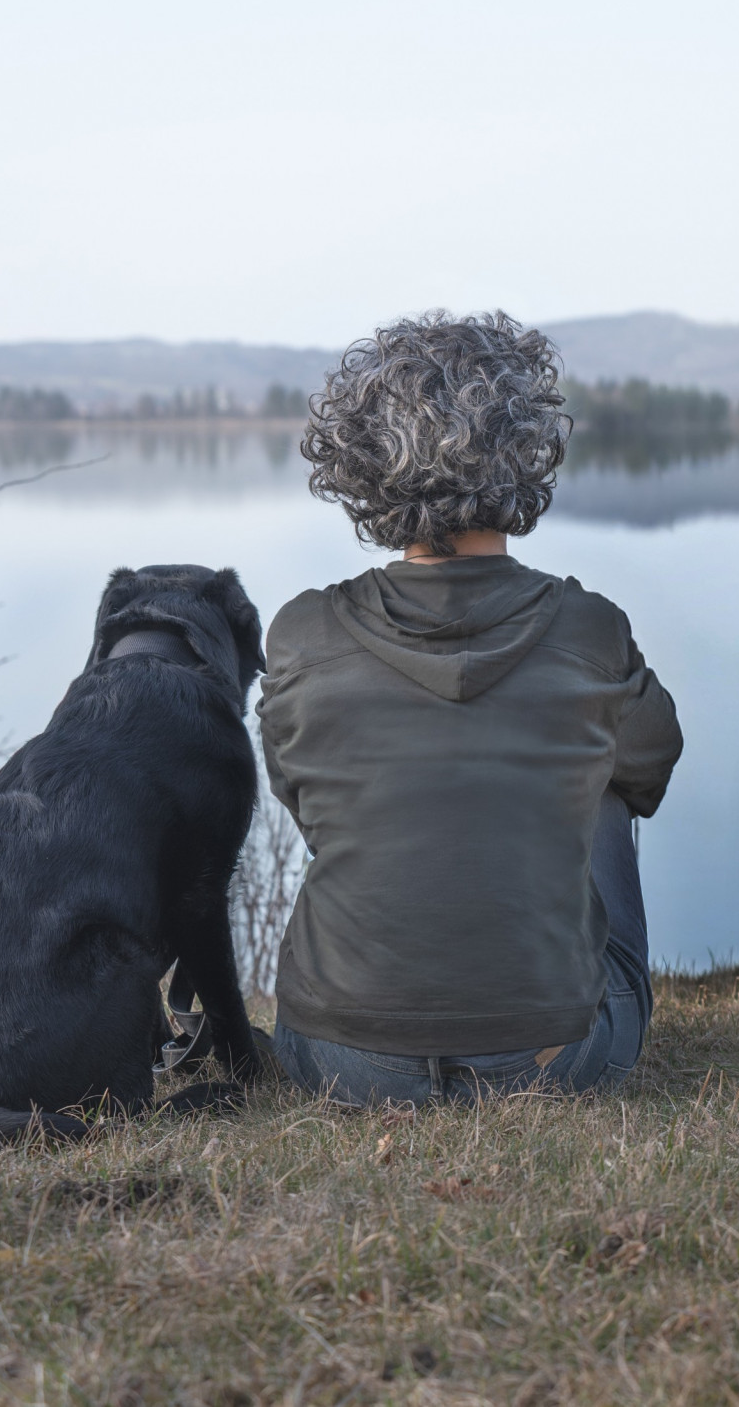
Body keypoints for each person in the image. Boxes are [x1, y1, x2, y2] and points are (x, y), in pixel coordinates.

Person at [253, 310, 682, 1105]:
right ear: (527, 449)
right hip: (556, 1060)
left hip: (340, 1060)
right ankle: (532, 999)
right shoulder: (589, 630)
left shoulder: (302, 632)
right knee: (609, 777)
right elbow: (651, 769)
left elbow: (305, 799)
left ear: (361, 461)